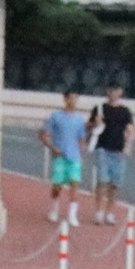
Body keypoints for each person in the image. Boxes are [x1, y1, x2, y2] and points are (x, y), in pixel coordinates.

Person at [39, 92, 89, 227]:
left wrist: (82, 150)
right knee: (57, 185)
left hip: (75, 157)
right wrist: (52, 147)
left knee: (74, 184)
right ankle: (54, 208)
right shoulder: (56, 117)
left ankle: (72, 215)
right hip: (60, 156)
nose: (74, 101)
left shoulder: (79, 119)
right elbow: (44, 134)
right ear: (65, 99)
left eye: (76, 98)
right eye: (71, 98)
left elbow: (82, 138)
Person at [88, 86, 134, 226]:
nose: (113, 94)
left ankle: (109, 212)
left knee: (114, 184)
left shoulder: (125, 111)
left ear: (120, 93)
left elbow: (130, 128)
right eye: (111, 91)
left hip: (118, 150)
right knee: (102, 180)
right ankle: (99, 212)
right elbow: (89, 125)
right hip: (103, 147)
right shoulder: (100, 108)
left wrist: (128, 146)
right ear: (107, 92)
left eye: (116, 91)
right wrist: (96, 122)